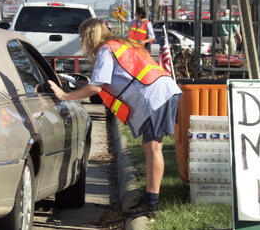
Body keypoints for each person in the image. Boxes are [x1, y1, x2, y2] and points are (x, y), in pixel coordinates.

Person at [48, 18, 182, 217]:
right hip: (163, 90)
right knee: (152, 146)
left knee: (153, 147)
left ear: (89, 36)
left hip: (153, 96)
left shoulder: (105, 50)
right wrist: (82, 87)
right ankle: (150, 199)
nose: (83, 42)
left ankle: (152, 203)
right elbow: (114, 80)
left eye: (83, 37)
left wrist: (65, 95)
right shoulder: (121, 44)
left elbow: (96, 87)